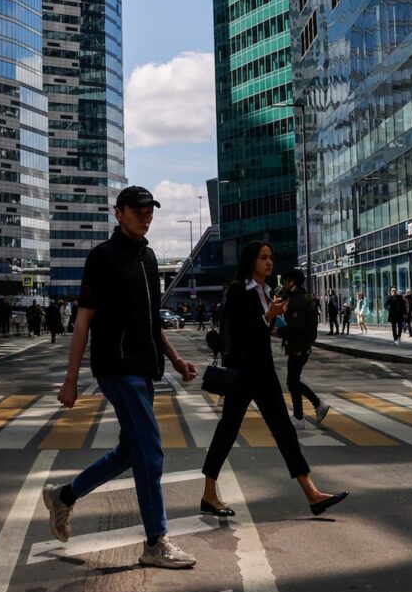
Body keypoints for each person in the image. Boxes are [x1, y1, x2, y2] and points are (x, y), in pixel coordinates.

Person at [41, 185, 201, 569]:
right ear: (119, 213)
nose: (146, 216)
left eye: (150, 210)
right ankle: (155, 542)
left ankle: (64, 496)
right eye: (139, 210)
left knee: (131, 451)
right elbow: (83, 320)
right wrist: (70, 379)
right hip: (116, 367)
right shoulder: (102, 257)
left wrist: (177, 360)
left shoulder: (148, 257)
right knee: (150, 450)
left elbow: (150, 321)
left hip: (144, 368)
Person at [200, 241, 349, 522]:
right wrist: (268, 316)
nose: (269, 262)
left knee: (284, 431)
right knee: (228, 430)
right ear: (251, 261)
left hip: (264, 372)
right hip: (242, 372)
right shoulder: (237, 290)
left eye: (271, 257)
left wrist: (276, 320)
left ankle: (312, 493)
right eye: (263, 258)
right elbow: (242, 331)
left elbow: (265, 331)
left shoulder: (269, 291)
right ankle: (209, 492)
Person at [279, 269, 328, 429]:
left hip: (298, 346)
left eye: (285, 281)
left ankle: (315, 405)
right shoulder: (299, 298)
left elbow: (295, 327)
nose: (283, 284)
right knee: (293, 381)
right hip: (300, 345)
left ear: (292, 282)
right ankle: (301, 416)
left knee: (292, 381)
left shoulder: (299, 300)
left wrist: (278, 331)